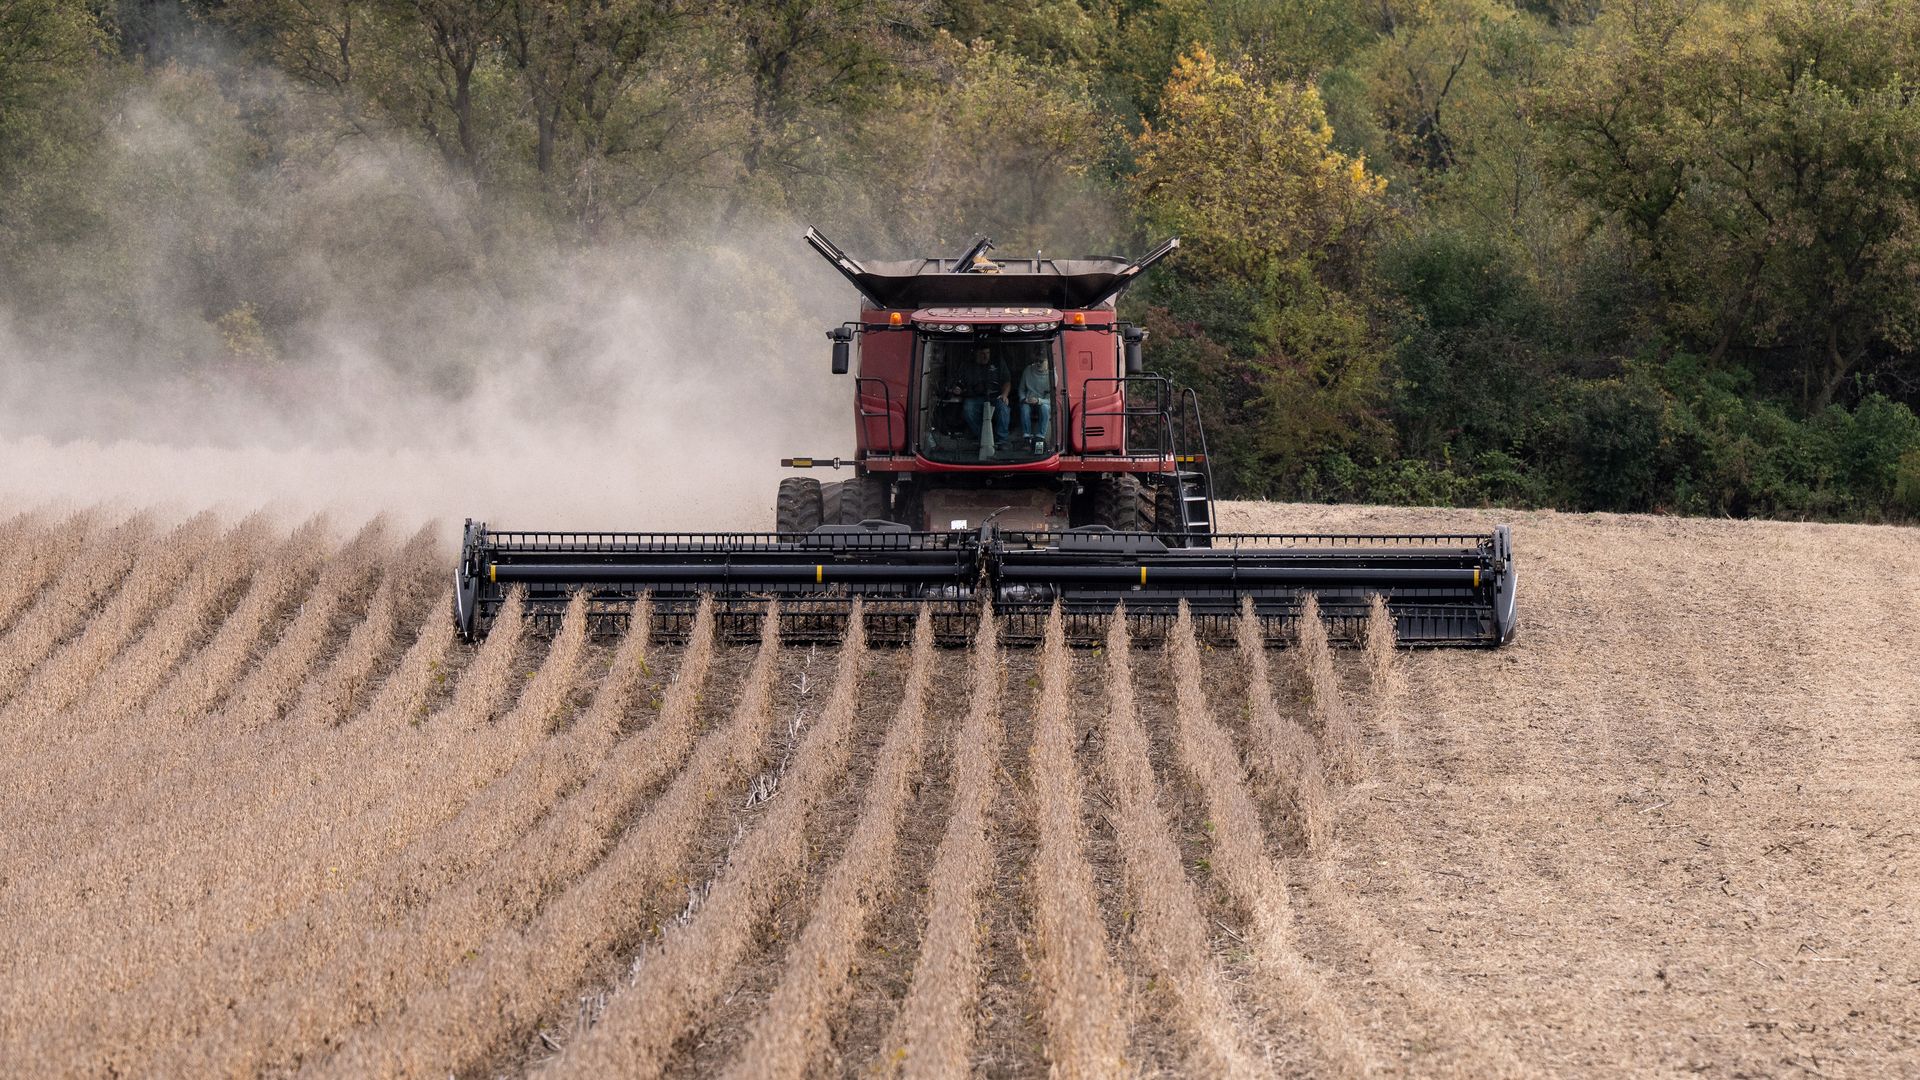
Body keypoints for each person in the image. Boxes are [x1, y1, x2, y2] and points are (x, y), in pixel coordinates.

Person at [958, 347, 1010, 453]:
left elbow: (1007, 381)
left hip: (995, 397)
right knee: (968, 408)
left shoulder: (998, 363)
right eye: (982, 353)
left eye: (987, 353)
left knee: (1003, 407)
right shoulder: (968, 366)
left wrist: (1004, 394)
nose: (985, 356)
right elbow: (960, 382)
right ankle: (982, 436)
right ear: (976, 354)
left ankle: (1002, 440)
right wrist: (958, 388)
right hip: (975, 397)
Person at [1016, 357, 1051, 444]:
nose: (1038, 363)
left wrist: (1038, 401)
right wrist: (1023, 399)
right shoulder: (1028, 370)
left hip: (1042, 402)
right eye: (1036, 361)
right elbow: (1021, 389)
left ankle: (1040, 436)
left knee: (1045, 408)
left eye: (1041, 361)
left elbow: (1051, 400)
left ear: (1048, 362)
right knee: (1024, 408)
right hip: (1028, 401)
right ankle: (1027, 436)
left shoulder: (1052, 376)